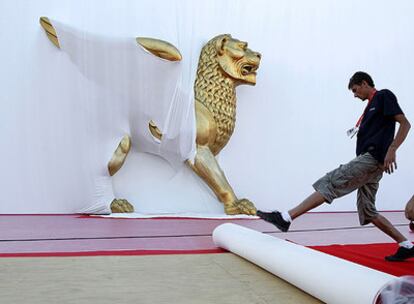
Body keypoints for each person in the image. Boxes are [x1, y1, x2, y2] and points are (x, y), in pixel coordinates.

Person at [257, 71, 412, 262]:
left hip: (371, 159)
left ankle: (286, 217)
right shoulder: (370, 106)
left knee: (330, 182)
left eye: (355, 90)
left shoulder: (383, 96)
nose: (355, 95)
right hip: (371, 164)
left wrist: (392, 149)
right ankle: (406, 245)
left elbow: (405, 124)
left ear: (364, 83)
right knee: (368, 211)